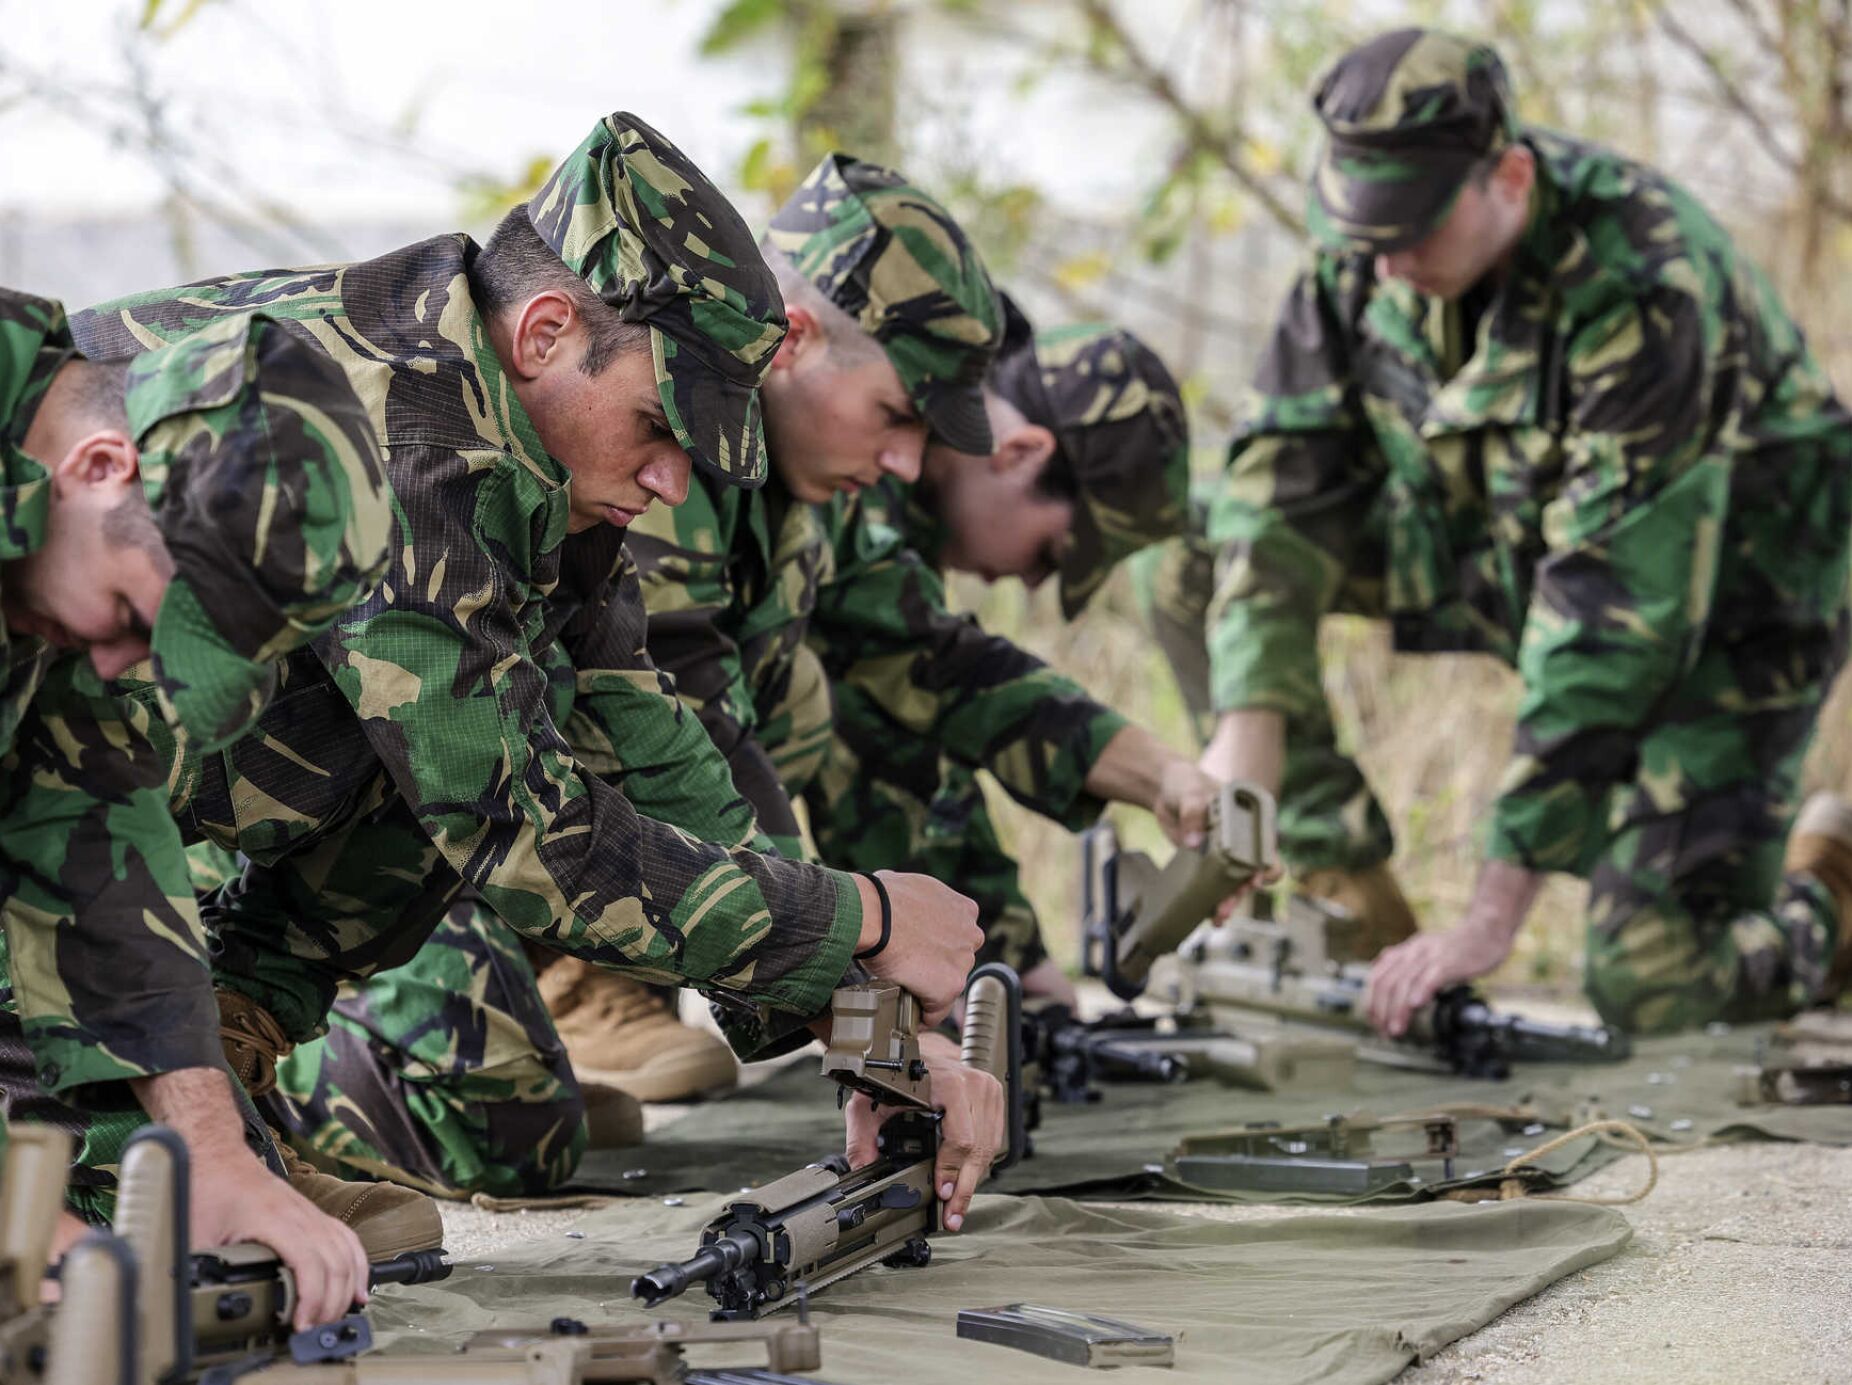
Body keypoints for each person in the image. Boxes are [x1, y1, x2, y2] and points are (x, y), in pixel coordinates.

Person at [33, 112, 998, 1221]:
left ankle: (219, 1073)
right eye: (657, 425)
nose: (675, 484)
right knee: (471, 779)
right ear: (544, 333)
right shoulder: (409, 438)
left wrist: (868, 1035)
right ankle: (109, 1153)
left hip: (124, 807)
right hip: (57, 813)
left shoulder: (530, 445)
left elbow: (647, 744)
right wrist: (862, 917)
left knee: (461, 749)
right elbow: (526, 838)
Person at [1194, 27, 1852, 1038]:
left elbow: (1610, 608)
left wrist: (1491, 917)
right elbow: (1279, 486)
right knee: (1196, 552)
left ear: (1507, 176)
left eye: (1413, 228)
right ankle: (1350, 907)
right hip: (1502, 544)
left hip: (1736, 610)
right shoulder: (1369, 248)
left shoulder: (1642, 274)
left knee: (1653, 985)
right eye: (1365, 229)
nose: (1388, 260)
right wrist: (1245, 742)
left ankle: (1831, 895)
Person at [0, 287, 397, 1329]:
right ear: (98, 468)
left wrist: (211, 1153)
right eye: (135, 615)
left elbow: (94, 832)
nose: (124, 661)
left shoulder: (46, 537)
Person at [805, 300, 1194, 1002]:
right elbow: (944, 669)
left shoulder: (908, 496)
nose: (1034, 580)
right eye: (1052, 554)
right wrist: (1161, 773)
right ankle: (600, 995)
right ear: (1021, 453)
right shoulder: (864, 459)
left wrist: (1002, 954)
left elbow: (912, 721)